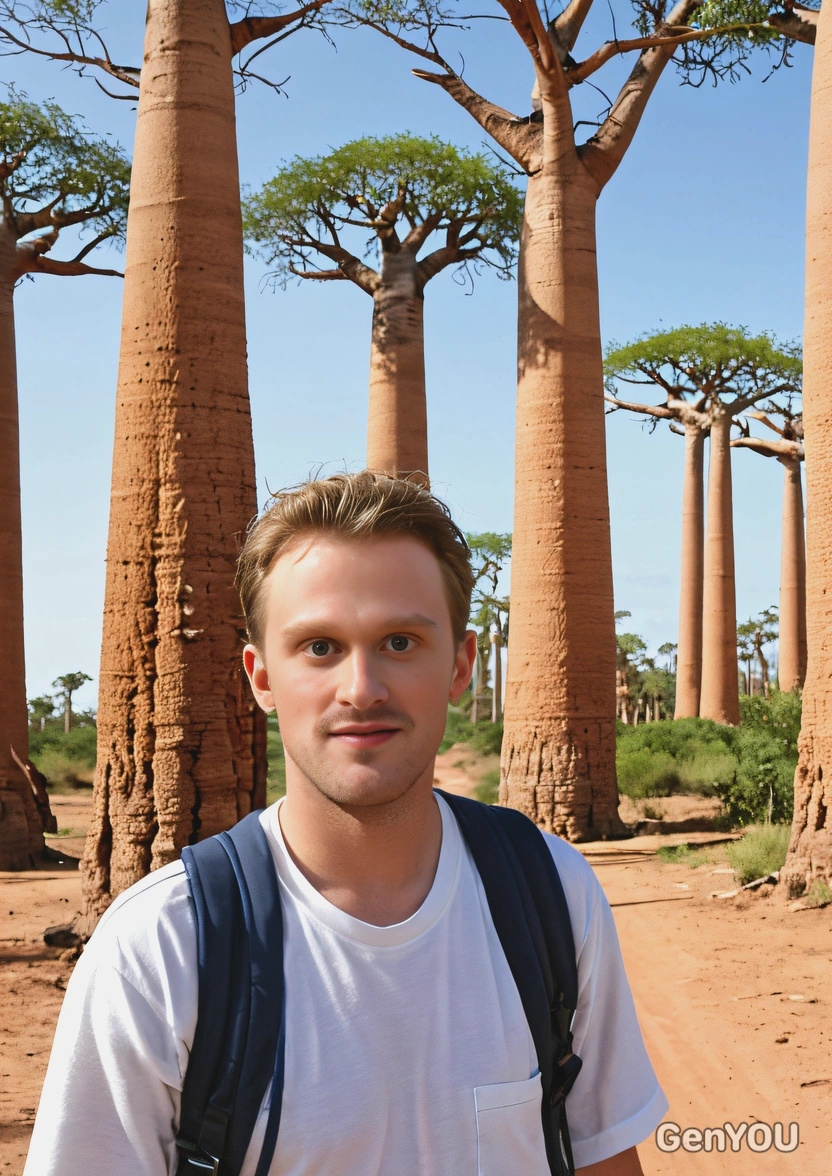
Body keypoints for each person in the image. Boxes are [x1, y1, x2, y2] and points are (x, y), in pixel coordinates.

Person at [24, 471, 667, 1176]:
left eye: (399, 642)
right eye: (320, 647)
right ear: (261, 676)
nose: (361, 689)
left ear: (460, 664)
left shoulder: (551, 894)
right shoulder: (161, 948)